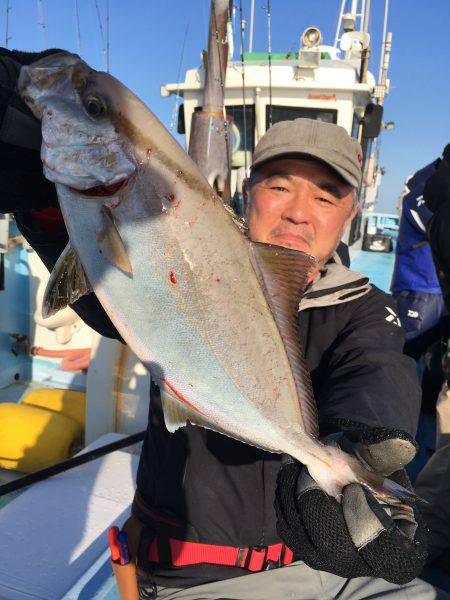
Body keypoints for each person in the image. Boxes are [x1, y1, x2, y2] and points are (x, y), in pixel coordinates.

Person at [0, 48, 447, 600]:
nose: (298, 211)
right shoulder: (181, 238)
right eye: (280, 185)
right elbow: (112, 301)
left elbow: (378, 373)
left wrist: (357, 445)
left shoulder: (364, 307)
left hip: (336, 573)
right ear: (247, 189)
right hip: (199, 579)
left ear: (350, 212)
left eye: (325, 195)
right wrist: (41, 204)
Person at [390, 160, 446, 361]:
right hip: (420, 291)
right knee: (401, 359)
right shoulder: (425, 187)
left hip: (437, 290)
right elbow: (433, 223)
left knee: (438, 366)